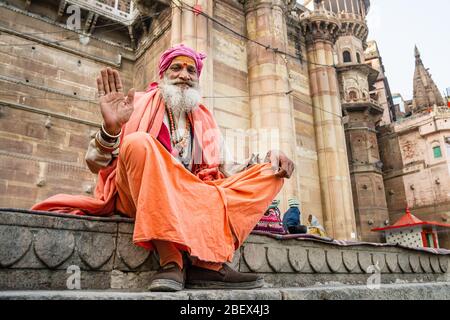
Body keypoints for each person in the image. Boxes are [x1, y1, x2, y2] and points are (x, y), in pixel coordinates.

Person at [32, 44, 295, 292]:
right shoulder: (136, 104)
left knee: (270, 174)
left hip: (192, 196)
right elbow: (94, 163)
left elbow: (229, 169)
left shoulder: (203, 118)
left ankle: (207, 266)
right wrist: (111, 129)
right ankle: (171, 260)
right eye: (176, 68)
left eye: (191, 70)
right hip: (138, 193)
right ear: (163, 73)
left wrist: (270, 157)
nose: (184, 75)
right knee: (137, 143)